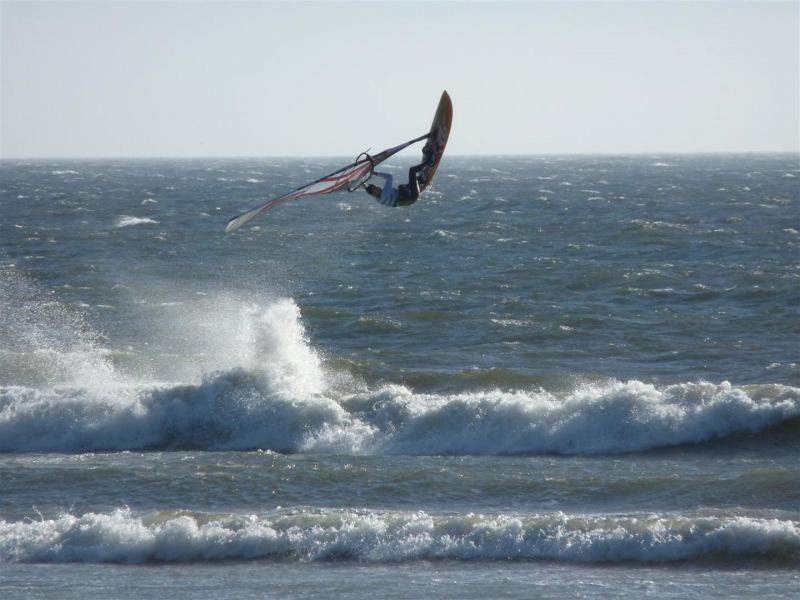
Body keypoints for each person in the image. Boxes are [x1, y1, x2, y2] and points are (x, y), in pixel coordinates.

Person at [363, 144, 436, 207]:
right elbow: (389, 177)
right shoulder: (384, 193)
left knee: (404, 186)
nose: (378, 187)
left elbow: (367, 188)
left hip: (409, 199)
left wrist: (362, 183)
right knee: (412, 171)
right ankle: (429, 162)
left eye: (376, 186)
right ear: (374, 193)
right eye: (376, 188)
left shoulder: (376, 196)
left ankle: (421, 181)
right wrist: (375, 173)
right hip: (412, 196)